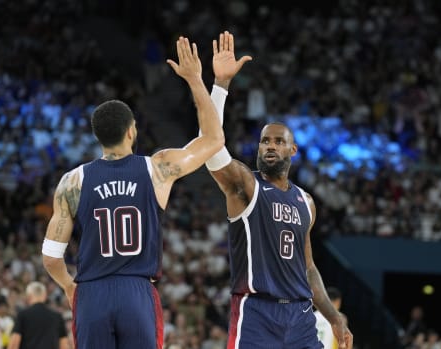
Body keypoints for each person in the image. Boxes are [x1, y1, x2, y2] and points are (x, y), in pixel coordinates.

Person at [41, 36, 225, 349]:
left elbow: (50, 257)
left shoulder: (73, 181)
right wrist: (196, 80)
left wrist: (70, 287)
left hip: (91, 293)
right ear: (131, 131)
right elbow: (213, 139)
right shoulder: (157, 168)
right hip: (136, 292)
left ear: (99, 137)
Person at [204, 31, 353, 349]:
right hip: (257, 312)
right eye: (264, 141)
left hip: (300, 315)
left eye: (278, 141)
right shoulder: (245, 185)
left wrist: (332, 316)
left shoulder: (306, 202)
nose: (270, 146)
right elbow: (212, 149)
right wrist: (221, 86)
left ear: (293, 150)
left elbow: (308, 268)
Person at [7, 282, 68, 349]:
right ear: (45, 296)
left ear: (28, 297)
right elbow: (64, 345)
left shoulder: (23, 315)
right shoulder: (57, 317)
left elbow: (14, 344)